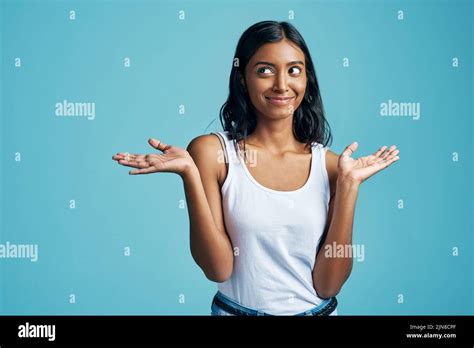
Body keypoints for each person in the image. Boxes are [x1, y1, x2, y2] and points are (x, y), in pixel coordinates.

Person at [112, 21, 400, 316]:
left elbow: (328, 286)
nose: (282, 85)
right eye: (265, 70)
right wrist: (190, 174)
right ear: (242, 79)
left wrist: (349, 188)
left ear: (307, 80)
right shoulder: (212, 153)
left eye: (294, 70)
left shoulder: (332, 166)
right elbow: (218, 268)